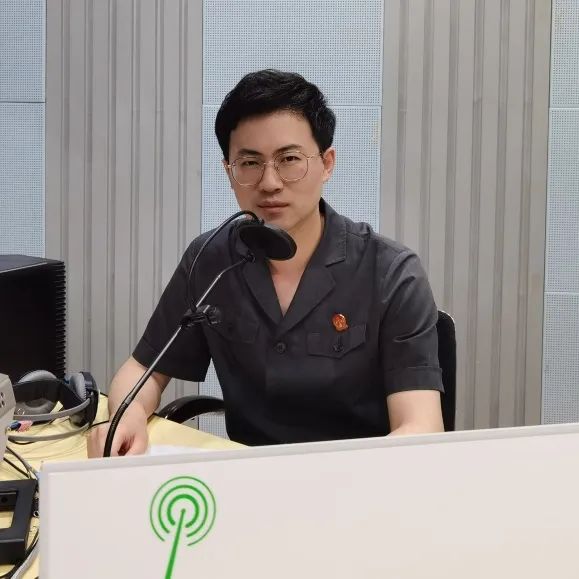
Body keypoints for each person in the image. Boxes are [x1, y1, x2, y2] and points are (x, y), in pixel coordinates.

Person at [87, 69, 444, 457]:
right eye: (250, 163)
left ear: (327, 163)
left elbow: (420, 427)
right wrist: (122, 416)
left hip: (356, 477)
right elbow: (143, 369)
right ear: (229, 171)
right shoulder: (212, 259)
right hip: (246, 475)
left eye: (289, 159)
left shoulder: (390, 272)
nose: (270, 182)